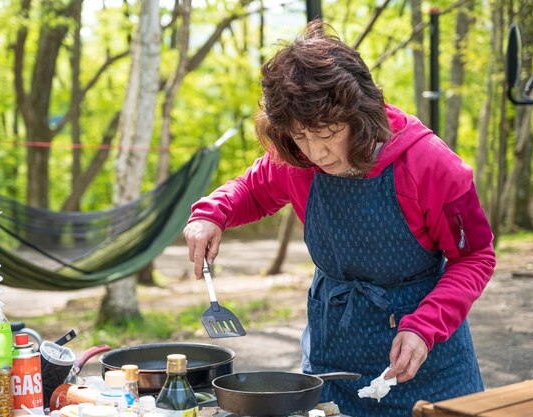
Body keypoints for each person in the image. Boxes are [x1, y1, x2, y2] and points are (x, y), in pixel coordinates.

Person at [183, 20, 496, 417]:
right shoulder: (295, 159)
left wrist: (424, 326)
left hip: (427, 355)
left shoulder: (431, 165)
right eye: (301, 137)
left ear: (359, 115)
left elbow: (475, 257)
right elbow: (250, 189)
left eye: (328, 133)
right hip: (334, 358)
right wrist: (212, 213)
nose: (316, 154)